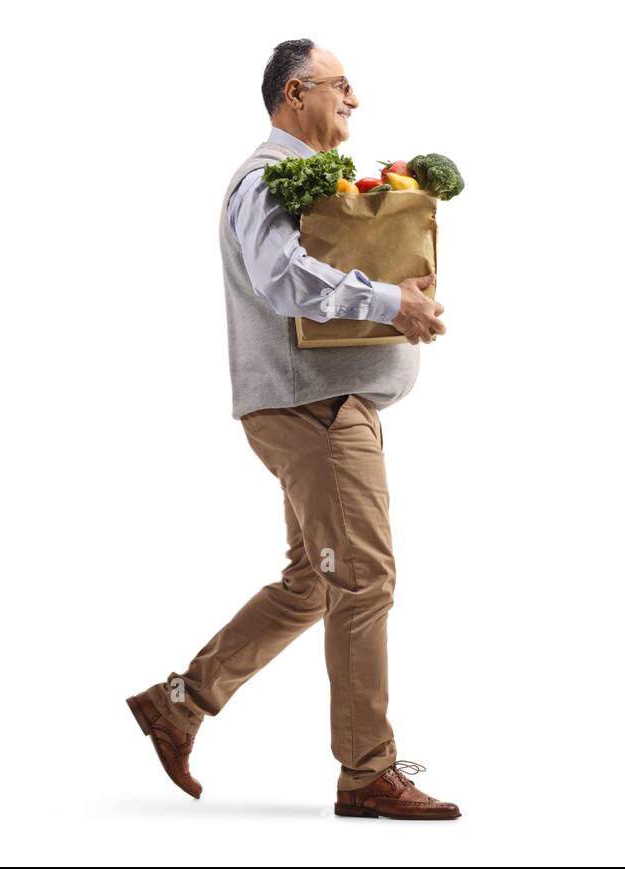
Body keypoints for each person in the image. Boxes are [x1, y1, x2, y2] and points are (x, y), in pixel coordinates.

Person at [125, 38, 459, 820]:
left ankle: (179, 703)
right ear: (296, 91)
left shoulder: (313, 181)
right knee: (364, 579)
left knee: (315, 579)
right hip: (316, 411)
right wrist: (389, 303)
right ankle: (367, 774)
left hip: (327, 406)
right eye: (342, 85)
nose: (354, 99)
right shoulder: (265, 179)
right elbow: (283, 278)